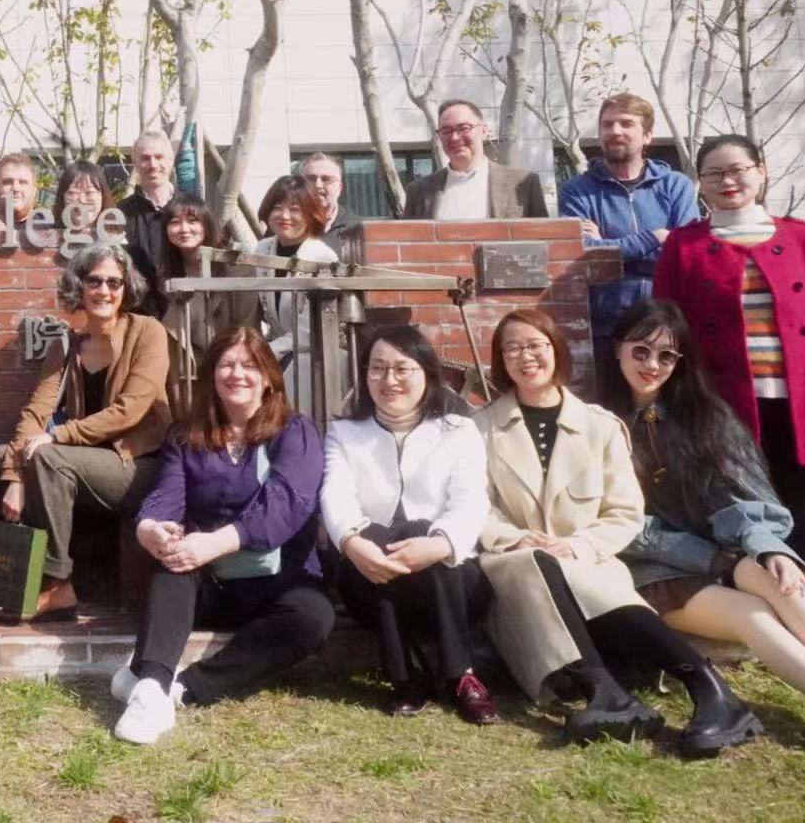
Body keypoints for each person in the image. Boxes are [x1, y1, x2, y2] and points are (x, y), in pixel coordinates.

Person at [602, 300, 805, 769]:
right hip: (653, 570)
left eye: (666, 356)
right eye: (640, 351)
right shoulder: (597, 424)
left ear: (681, 362)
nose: (652, 366)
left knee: (776, 577)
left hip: (726, 555)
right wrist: (714, 559)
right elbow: (621, 525)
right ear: (617, 351)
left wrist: (767, 547)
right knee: (753, 613)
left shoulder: (706, 418)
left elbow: (740, 497)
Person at [474, 307, 759, 756]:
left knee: (594, 583)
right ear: (500, 360)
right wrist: (515, 537)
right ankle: (609, 693)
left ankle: (709, 690)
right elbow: (477, 505)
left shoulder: (600, 426)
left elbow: (625, 511)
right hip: (514, 560)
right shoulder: (480, 429)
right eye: (512, 348)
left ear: (556, 352)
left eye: (535, 345)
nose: (525, 356)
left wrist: (579, 545)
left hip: (589, 558)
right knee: (531, 565)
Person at [652, 133, 805, 593]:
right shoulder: (685, 245)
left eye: (737, 170)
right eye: (714, 174)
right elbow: (666, 323)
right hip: (723, 403)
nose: (727, 181)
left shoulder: (803, 237)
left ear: (761, 171)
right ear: (700, 183)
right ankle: (749, 605)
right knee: (736, 505)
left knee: (803, 507)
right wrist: (667, 396)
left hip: (802, 401)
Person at [110, 328, 335, 746]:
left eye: (250, 365)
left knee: (313, 618)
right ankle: (150, 690)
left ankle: (183, 688)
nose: (238, 374)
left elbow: (289, 502)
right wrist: (151, 529)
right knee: (173, 567)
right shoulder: (185, 436)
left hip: (278, 578)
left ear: (269, 377)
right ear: (212, 374)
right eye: (227, 364)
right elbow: (165, 496)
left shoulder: (294, 432)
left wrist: (215, 541)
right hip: (210, 579)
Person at [322, 326, 497, 724]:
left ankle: (459, 675)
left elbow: (471, 500)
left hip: (451, 584)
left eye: (403, 369)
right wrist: (352, 543)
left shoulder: (459, 431)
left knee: (421, 527)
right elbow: (335, 496)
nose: (389, 380)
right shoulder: (344, 434)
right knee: (379, 534)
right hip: (369, 576)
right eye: (378, 369)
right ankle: (407, 680)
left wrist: (439, 544)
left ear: (428, 375)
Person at [0, 241, 171, 621]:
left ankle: (57, 584)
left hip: (138, 465)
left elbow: (130, 411)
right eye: (94, 281)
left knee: (50, 458)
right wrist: (14, 476)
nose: (104, 291)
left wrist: (58, 435)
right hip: (82, 463)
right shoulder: (66, 346)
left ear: (126, 288)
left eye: (114, 282)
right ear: (79, 286)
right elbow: (35, 412)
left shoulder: (147, 332)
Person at [558, 93, 698, 357]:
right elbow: (584, 256)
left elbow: (684, 251)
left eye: (626, 123)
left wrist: (608, 247)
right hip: (605, 327)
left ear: (647, 135)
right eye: (607, 125)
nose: (615, 131)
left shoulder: (676, 185)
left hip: (666, 321)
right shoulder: (577, 191)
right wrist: (656, 237)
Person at [250, 176, 341, 409]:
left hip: (311, 356)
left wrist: (266, 351)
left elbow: (309, 331)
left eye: (295, 209)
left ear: (311, 213)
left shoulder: (323, 257)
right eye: (277, 208)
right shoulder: (263, 249)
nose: (284, 216)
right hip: (275, 351)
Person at [158, 194, 248, 421]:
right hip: (184, 376)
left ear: (206, 225)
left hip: (229, 369)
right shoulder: (166, 273)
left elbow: (247, 325)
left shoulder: (233, 268)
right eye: (174, 222)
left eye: (192, 220)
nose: (183, 228)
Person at [402, 100, 548, 220]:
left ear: (484, 131)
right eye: (446, 131)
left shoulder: (523, 183)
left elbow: (543, 241)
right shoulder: (419, 191)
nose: (454, 137)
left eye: (464, 128)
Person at [118, 131, 177, 315]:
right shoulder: (119, 214)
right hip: (136, 315)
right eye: (145, 158)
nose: (153, 165)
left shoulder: (192, 211)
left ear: (171, 160)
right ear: (135, 163)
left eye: (159, 157)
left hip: (186, 315)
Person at [298, 153, 361, 259]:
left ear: (339, 189)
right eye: (311, 179)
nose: (318, 185)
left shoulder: (358, 229)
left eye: (326, 179)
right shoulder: (286, 226)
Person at [53, 160, 112, 237]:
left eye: (90, 192)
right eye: (73, 193)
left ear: (103, 196)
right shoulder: (47, 242)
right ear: (62, 198)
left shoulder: (117, 240)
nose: (81, 199)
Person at [0, 152, 39, 225]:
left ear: (34, 191)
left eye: (23, 182)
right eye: (8, 182)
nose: (15, 188)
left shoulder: (50, 232)